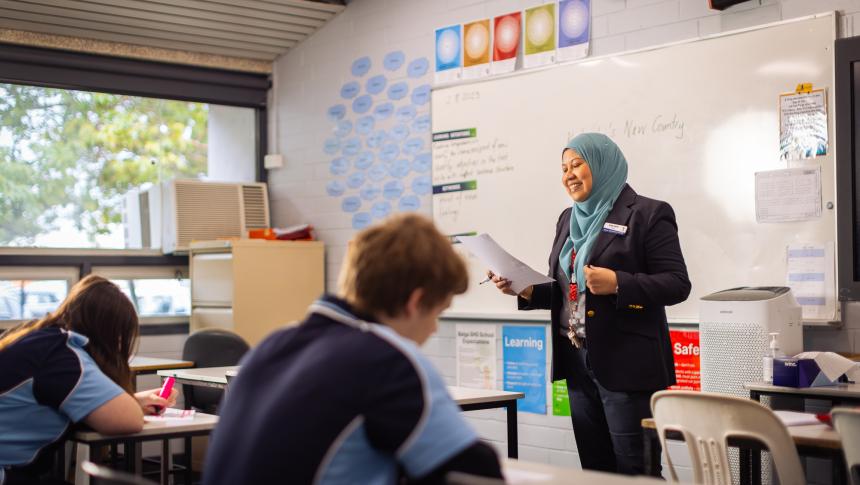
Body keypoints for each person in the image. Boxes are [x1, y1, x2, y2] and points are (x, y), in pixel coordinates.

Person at [204, 214, 502, 485]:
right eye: (437, 312)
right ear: (415, 301)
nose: (434, 328)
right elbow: (477, 472)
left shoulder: (275, 343)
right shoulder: (387, 361)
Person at [490, 133, 690, 475]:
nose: (568, 174)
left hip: (628, 368)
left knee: (635, 471)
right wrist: (524, 290)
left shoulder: (648, 213)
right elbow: (570, 291)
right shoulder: (567, 220)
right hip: (577, 364)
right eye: (563, 167)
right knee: (595, 471)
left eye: (577, 164)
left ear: (602, 164)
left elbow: (677, 284)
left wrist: (619, 283)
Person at [0, 275, 178, 484]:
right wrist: (131, 406)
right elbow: (129, 421)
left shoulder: (37, 338)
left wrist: (135, 400)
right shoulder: (64, 356)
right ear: (110, 333)